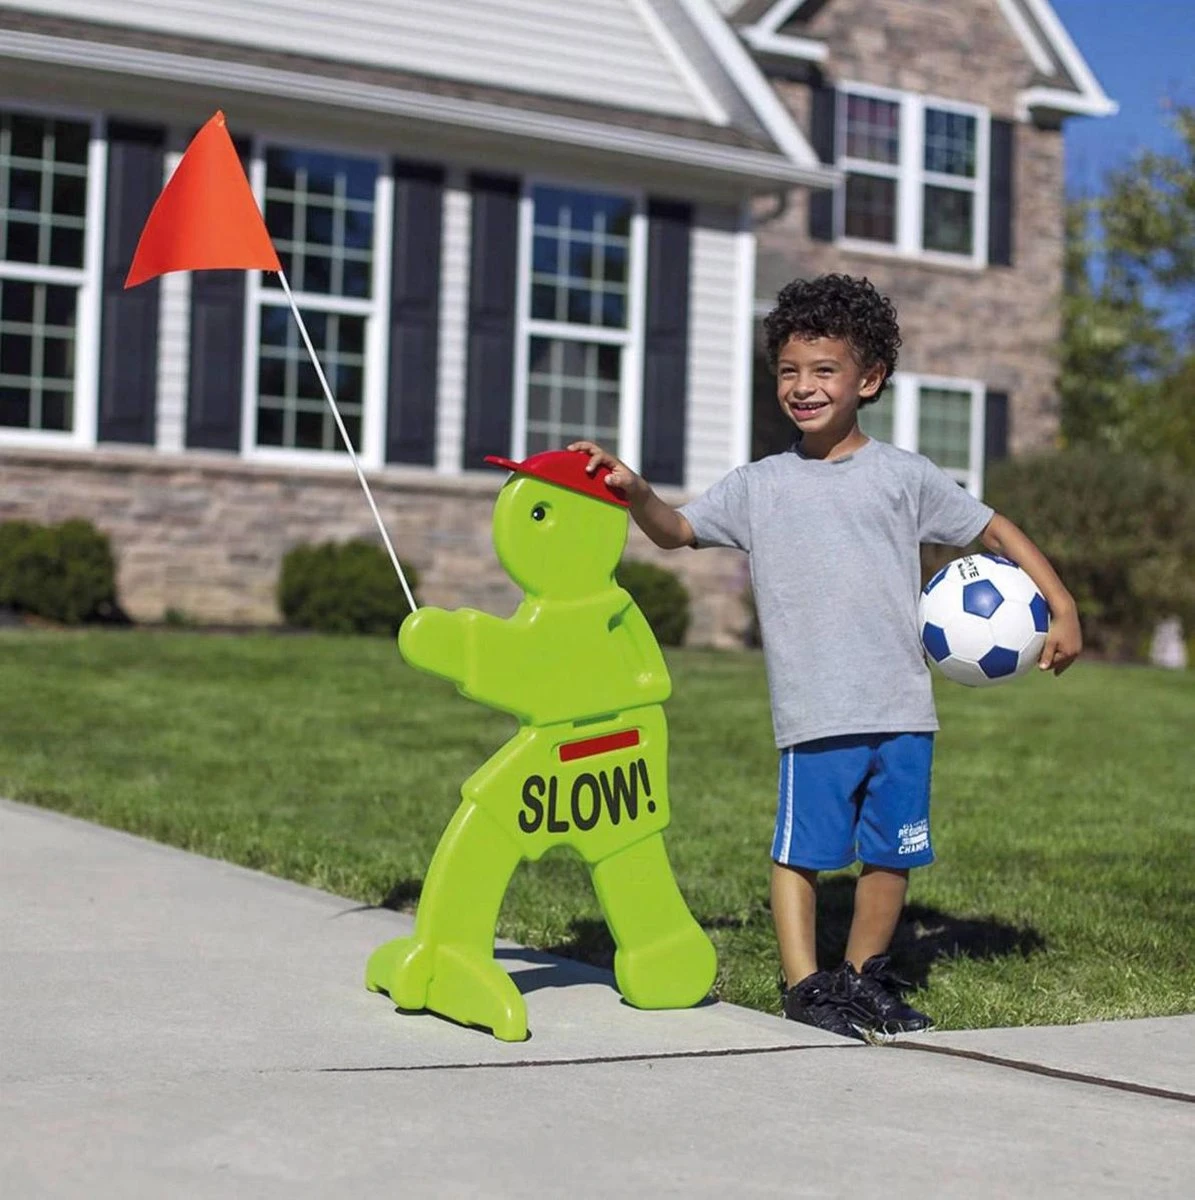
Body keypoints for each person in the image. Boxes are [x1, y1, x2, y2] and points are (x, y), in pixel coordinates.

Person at [569, 273, 1082, 1042]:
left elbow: (994, 529)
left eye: (823, 370)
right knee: (801, 854)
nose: (802, 387)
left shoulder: (904, 477)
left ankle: (863, 978)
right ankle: (805, 984)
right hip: (816, 712)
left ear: (867, 379)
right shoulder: (758, 487)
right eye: (787, 371)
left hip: (902, 708)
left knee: (890, 853)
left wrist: (1061, 603)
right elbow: (675, 531)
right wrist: (635, 490)